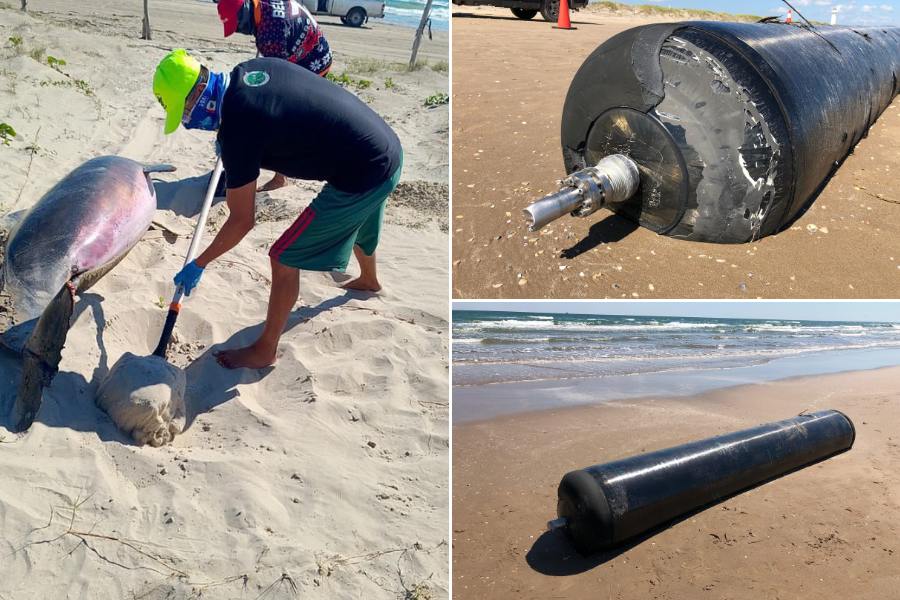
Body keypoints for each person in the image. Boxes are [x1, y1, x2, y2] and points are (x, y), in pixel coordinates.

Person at [152, 49, 402, 369]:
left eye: (184, 112)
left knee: (282, 257)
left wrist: (199, 263)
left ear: (200, 94)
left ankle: (265, 349)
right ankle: (369, 280)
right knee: (363, 220)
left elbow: (242, 220)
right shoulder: (251, 70)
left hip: (364, 173)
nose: (187, 123)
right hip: (387, 150)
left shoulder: (238, 131)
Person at [217, 0, 333, 191]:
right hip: (315, 46)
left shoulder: (271, 34)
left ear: (244, 13)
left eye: (239, 26)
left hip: (312, 62)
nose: (240, 31)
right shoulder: (264, 7)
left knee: (283, 117)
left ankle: (281, 177)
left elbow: (276, 81)